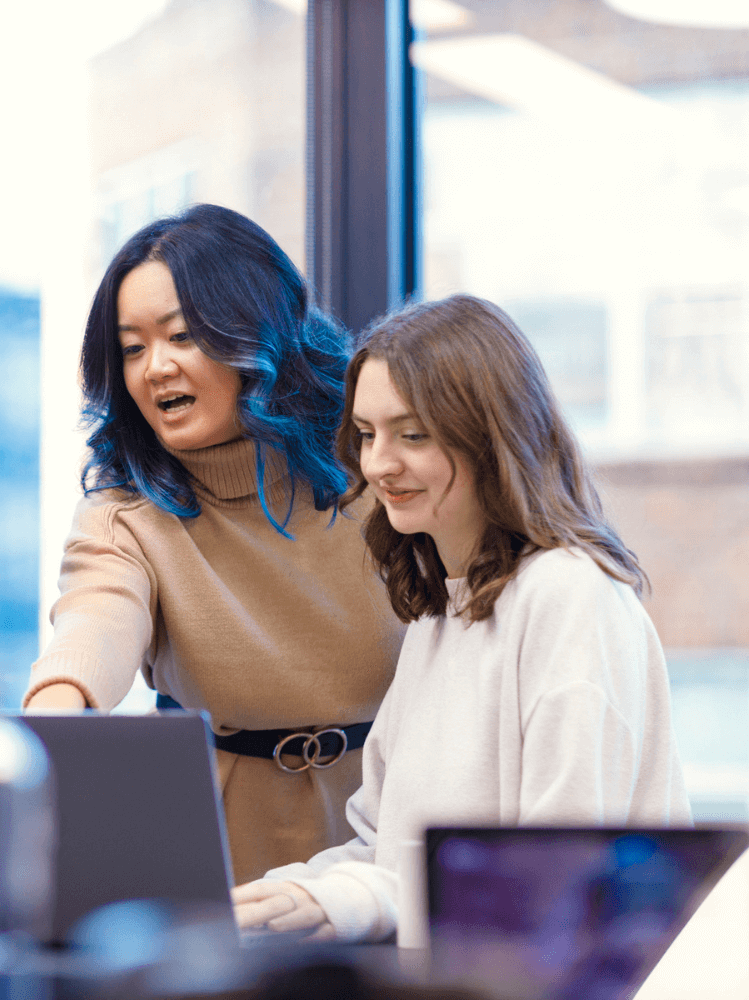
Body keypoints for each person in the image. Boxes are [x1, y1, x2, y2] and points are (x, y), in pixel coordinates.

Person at [233, 294, 692, 942]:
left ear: (490, 436)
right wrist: (297, 899)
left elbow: (557, 880)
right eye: (367, 434)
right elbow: (386, 853)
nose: (378, 463)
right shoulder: (440, 616)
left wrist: (354, 899)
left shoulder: (569, 598)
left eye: (412, 434)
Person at [24, 204, 405, 883]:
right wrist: (55, 714)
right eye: (133, 349)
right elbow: (95, 622)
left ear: (256, 330)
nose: (155, 368)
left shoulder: (376, 471)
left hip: (389, 839)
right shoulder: (126, 511)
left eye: (182, 336)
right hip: (213, 859)